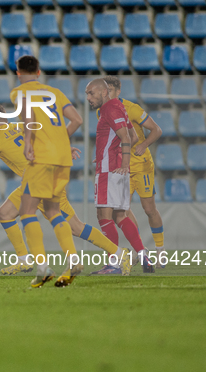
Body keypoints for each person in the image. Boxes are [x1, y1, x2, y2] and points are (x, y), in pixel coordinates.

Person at [0, 105, 132, 277]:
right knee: (5, 214)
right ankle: (24, 260)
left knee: (76, 228)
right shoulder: (22, 127)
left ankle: (119, 253)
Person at [11, 55, 82, 288]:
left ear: (18, 72)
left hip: (41, 158)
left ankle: (42, 268)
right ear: (39, 72)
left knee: (27, 211)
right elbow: (77, 120)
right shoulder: (55, 92)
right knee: (53, 210)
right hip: (63, 158)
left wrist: (29, 142)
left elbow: (29, 115)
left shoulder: (19, 92)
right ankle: (73, 260)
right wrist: (60, 142)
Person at [85, 79, 154, 274]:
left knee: (103, 216)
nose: (88, 98)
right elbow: (132, 137)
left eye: (91, 93)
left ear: (104, 92)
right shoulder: (120, 107)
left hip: (110, 171)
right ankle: (143, 255)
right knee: (120, 216)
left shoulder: (109, 109)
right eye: (87, 94)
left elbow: (125, 138)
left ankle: (114, 263)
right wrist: (109, 153)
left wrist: (121, 162)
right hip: (115, 168)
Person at [103, 76, 166, 268]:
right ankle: (141, 250)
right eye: (105, 91)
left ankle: (160, 249)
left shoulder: (132, 109)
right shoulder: (102, 111)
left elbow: (156, 129)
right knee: (120, 211)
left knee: (149, 209)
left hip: (141, 165)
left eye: (111, 91)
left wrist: (144, 144)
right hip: (122, 166)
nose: (107, 94)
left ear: (118, 91)